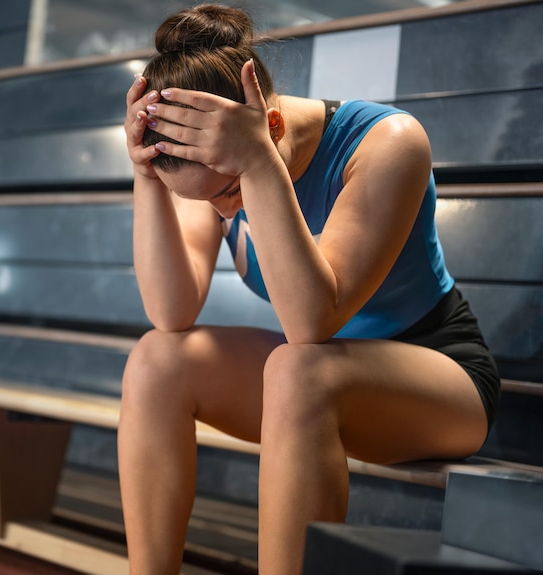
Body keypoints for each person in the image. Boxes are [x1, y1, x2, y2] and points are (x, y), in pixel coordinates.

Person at [118, 4, 500, 575]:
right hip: (313, 382)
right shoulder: (208, 177)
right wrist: (146, 177)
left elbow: (310, 323)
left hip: (439, 373)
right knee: (156, 359)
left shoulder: (386, 142)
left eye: (227, 192)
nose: (223, 210)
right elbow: (170, 311)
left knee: (298, 368)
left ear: (268, 128)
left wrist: (257, 166)